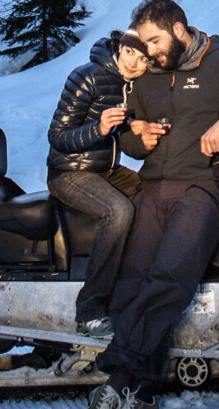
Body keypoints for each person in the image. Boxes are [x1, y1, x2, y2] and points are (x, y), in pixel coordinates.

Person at [87, 0, 219, 409]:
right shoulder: (148, 77)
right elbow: (127, 137)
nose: (149, 51)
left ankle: (121, 371)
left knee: (168, 276)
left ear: (179, 30)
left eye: (156, 41)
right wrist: (137, 140)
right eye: (144, 43)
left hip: (205, 188)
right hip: (154, 188)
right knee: (132, 281)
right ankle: (144, 390)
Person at [47, 30, 150, 337]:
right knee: (119, 211)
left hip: (106, 170)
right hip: (68, 171)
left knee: (155, 193)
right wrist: (99, 128)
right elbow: (57, 137)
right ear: (120, 46)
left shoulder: (132, 86)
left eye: (143, 59)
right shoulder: (86, 77)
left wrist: (136, 127)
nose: (134, 63)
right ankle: (90, 311)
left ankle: (133, 288)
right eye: (131, 52)